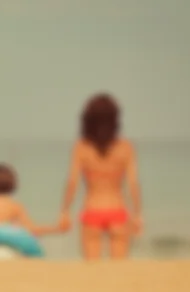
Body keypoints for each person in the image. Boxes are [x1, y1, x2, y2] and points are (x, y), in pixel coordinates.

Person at [58, 93, 142, 260]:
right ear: (115, 119)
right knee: (119, 271)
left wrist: (65, 211)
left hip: (92, 211)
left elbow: (72, 182)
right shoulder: (126, 147)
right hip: (118, 210)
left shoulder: (81, 148)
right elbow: (133, 183)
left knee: (92, 273)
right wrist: (138, 214)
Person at [0, 162, 68, 258]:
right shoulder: (15, 205)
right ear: (12, 184)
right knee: (35, 251)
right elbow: (32, 229)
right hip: (11, 236)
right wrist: (56, 228)